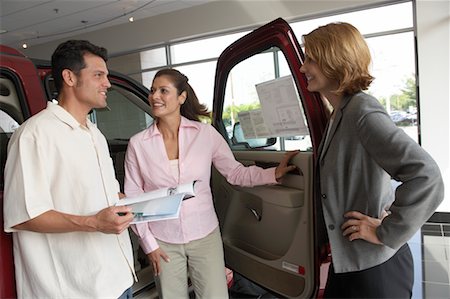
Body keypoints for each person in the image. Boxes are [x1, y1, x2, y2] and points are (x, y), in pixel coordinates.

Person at [124, 68, 298, 299]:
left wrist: (272, 175)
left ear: (181, 97)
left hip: (204, 234)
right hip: (162, 239)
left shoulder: (205, 134)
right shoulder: (138, 144)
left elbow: (235, 173)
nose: (155, 96)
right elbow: (134, 197)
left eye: (163, 91)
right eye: (153, 90)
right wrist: (148, 245)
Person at [300, 22, 444, 298]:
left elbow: (427, 176)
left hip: (375, 269)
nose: (303, 68)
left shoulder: (362, 111)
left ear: (334, 61)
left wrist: (386, 231)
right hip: (351, 262)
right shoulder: (340, 112)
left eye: (310, 60)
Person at [3, 40, 136, 299]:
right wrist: (94, 222)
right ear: (69, 78)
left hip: (117, 277)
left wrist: (127, 202)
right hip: (74, 289)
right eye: (98, 75)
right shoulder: (34, 135)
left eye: (107, 76)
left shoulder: (93, 133)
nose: (107, 83)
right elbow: (24, 215)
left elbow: (88, 194)